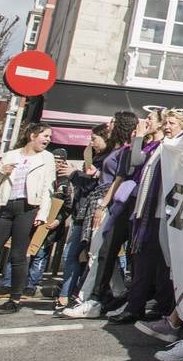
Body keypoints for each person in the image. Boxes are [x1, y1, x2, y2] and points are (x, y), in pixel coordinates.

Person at [65, 111, 158, 319]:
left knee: (122, 253)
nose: (109, 125)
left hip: (131, 202)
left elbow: (123, 174)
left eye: (114, 122)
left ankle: (110, 298)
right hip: (122, 201)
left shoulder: (144, 146)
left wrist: (103, 204)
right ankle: (100, 297)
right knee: (104, 250)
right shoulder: (128, 146)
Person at [107, 109, 183, 325]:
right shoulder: (159, 147)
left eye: (172, 123)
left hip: (166, 212)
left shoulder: (180, 146)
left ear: (182, 126)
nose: (167, 127)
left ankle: (159, 307)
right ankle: (137, 305)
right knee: (144, 261)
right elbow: (136, 161)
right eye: (166, 123)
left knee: (162, 265)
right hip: (149, 211)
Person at [0, 123, 55, 313]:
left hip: (27, 208)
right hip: (5, 207)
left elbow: (48, 189)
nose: (48, 139)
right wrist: (2, 172)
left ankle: (15, 300)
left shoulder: (47, 158)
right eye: (45, 135)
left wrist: (42, 214)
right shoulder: (12, 155)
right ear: (32, 135)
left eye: (49, 137)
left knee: (18, 255)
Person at [57, 123, 109, 306]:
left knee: (89, 254)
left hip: (94, 211)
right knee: (73, 255)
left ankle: (80, 294)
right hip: (81, 211)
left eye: (94, 138)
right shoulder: (96, 158)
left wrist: (74, 174)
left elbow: (94, 186)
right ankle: (67, 293)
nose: (91, 142)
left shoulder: (108, 160)